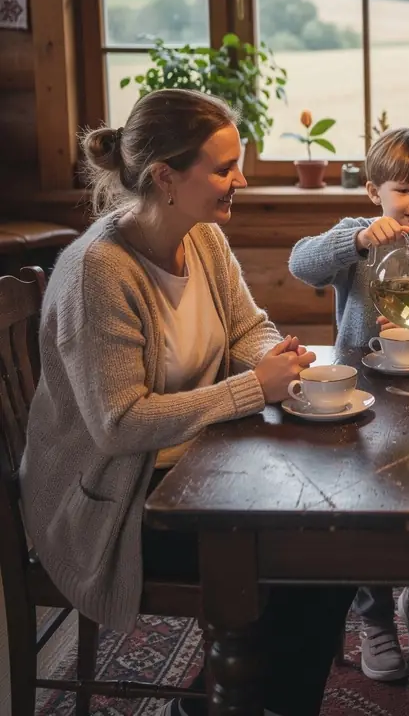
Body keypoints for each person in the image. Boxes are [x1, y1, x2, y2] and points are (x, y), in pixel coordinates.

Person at [19, 89, 356, 716]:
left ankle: (219, 699)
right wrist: (254, 387)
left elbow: (246, 325)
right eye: (225, 167)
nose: (242, 178)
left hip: (187, 464)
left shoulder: (201, 238)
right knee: (301, 558)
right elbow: (119, 425)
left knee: (326, 546)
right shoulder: (98, 272)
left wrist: (275, 359)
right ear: (165, 178)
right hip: (107, 500)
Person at [289, 126, 409, 682]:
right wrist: (355, 242)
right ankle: (373, 615)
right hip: (364, 397)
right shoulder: (358, 237)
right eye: (403, 189)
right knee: (364, 506)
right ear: (374, 192)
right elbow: (301, 265)